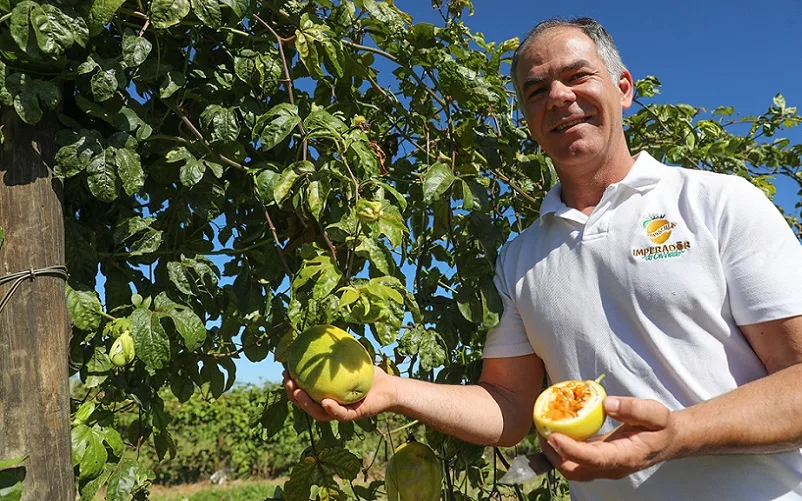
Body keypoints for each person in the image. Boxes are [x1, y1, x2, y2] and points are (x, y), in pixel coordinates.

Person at [284, 17, 802, 500]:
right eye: (536, 91)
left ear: (623, 88)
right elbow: (508, 410)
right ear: (528, 119)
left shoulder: (717, 203)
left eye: (578, 76)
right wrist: (391, 389)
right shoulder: (520, 258)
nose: (559, 97)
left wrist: (677, 435)